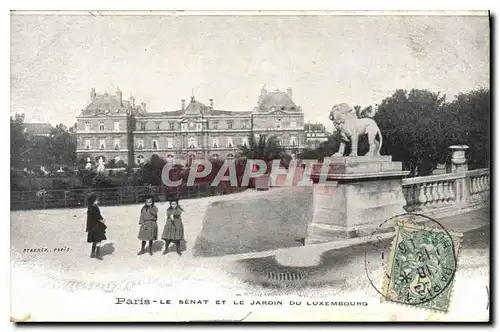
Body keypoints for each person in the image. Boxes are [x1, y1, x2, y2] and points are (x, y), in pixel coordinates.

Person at [85, 193, 107, 260]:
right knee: (99, 240)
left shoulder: (89, 208)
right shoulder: (95, 208)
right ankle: (97, 253)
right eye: (96, 200)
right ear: (93, 201)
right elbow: (98, 217)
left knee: (95, 240)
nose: (98, 201)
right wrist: (103, 220)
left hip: (91, 227)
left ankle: (92, 252)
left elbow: (90, 219)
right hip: (97, 226)